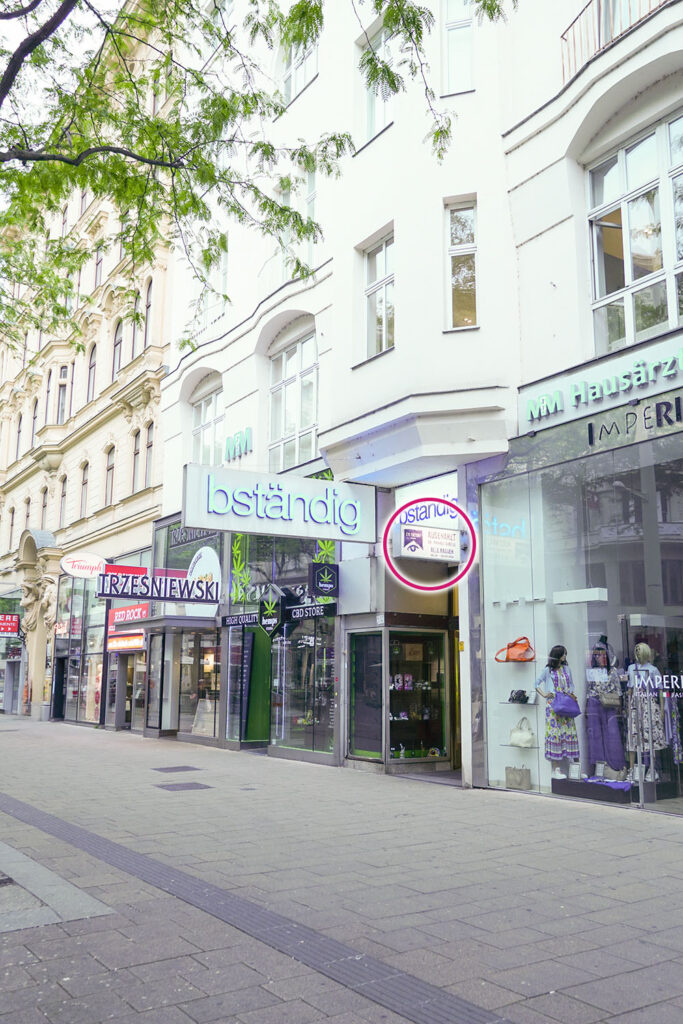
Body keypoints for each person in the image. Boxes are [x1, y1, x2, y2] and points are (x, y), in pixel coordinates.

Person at [536, 644, 580, 779]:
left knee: (570, 733)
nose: (565, 656)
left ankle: (576, 769)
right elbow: (536, 683)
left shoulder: (567, 669)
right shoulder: (548, 670)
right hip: (554, 705)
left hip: (566, 702)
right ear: (558, 655)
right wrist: (544, 694)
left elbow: (571, 684)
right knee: (555, 734)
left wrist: (571, 694)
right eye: (563, 654)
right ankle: (556, 769)